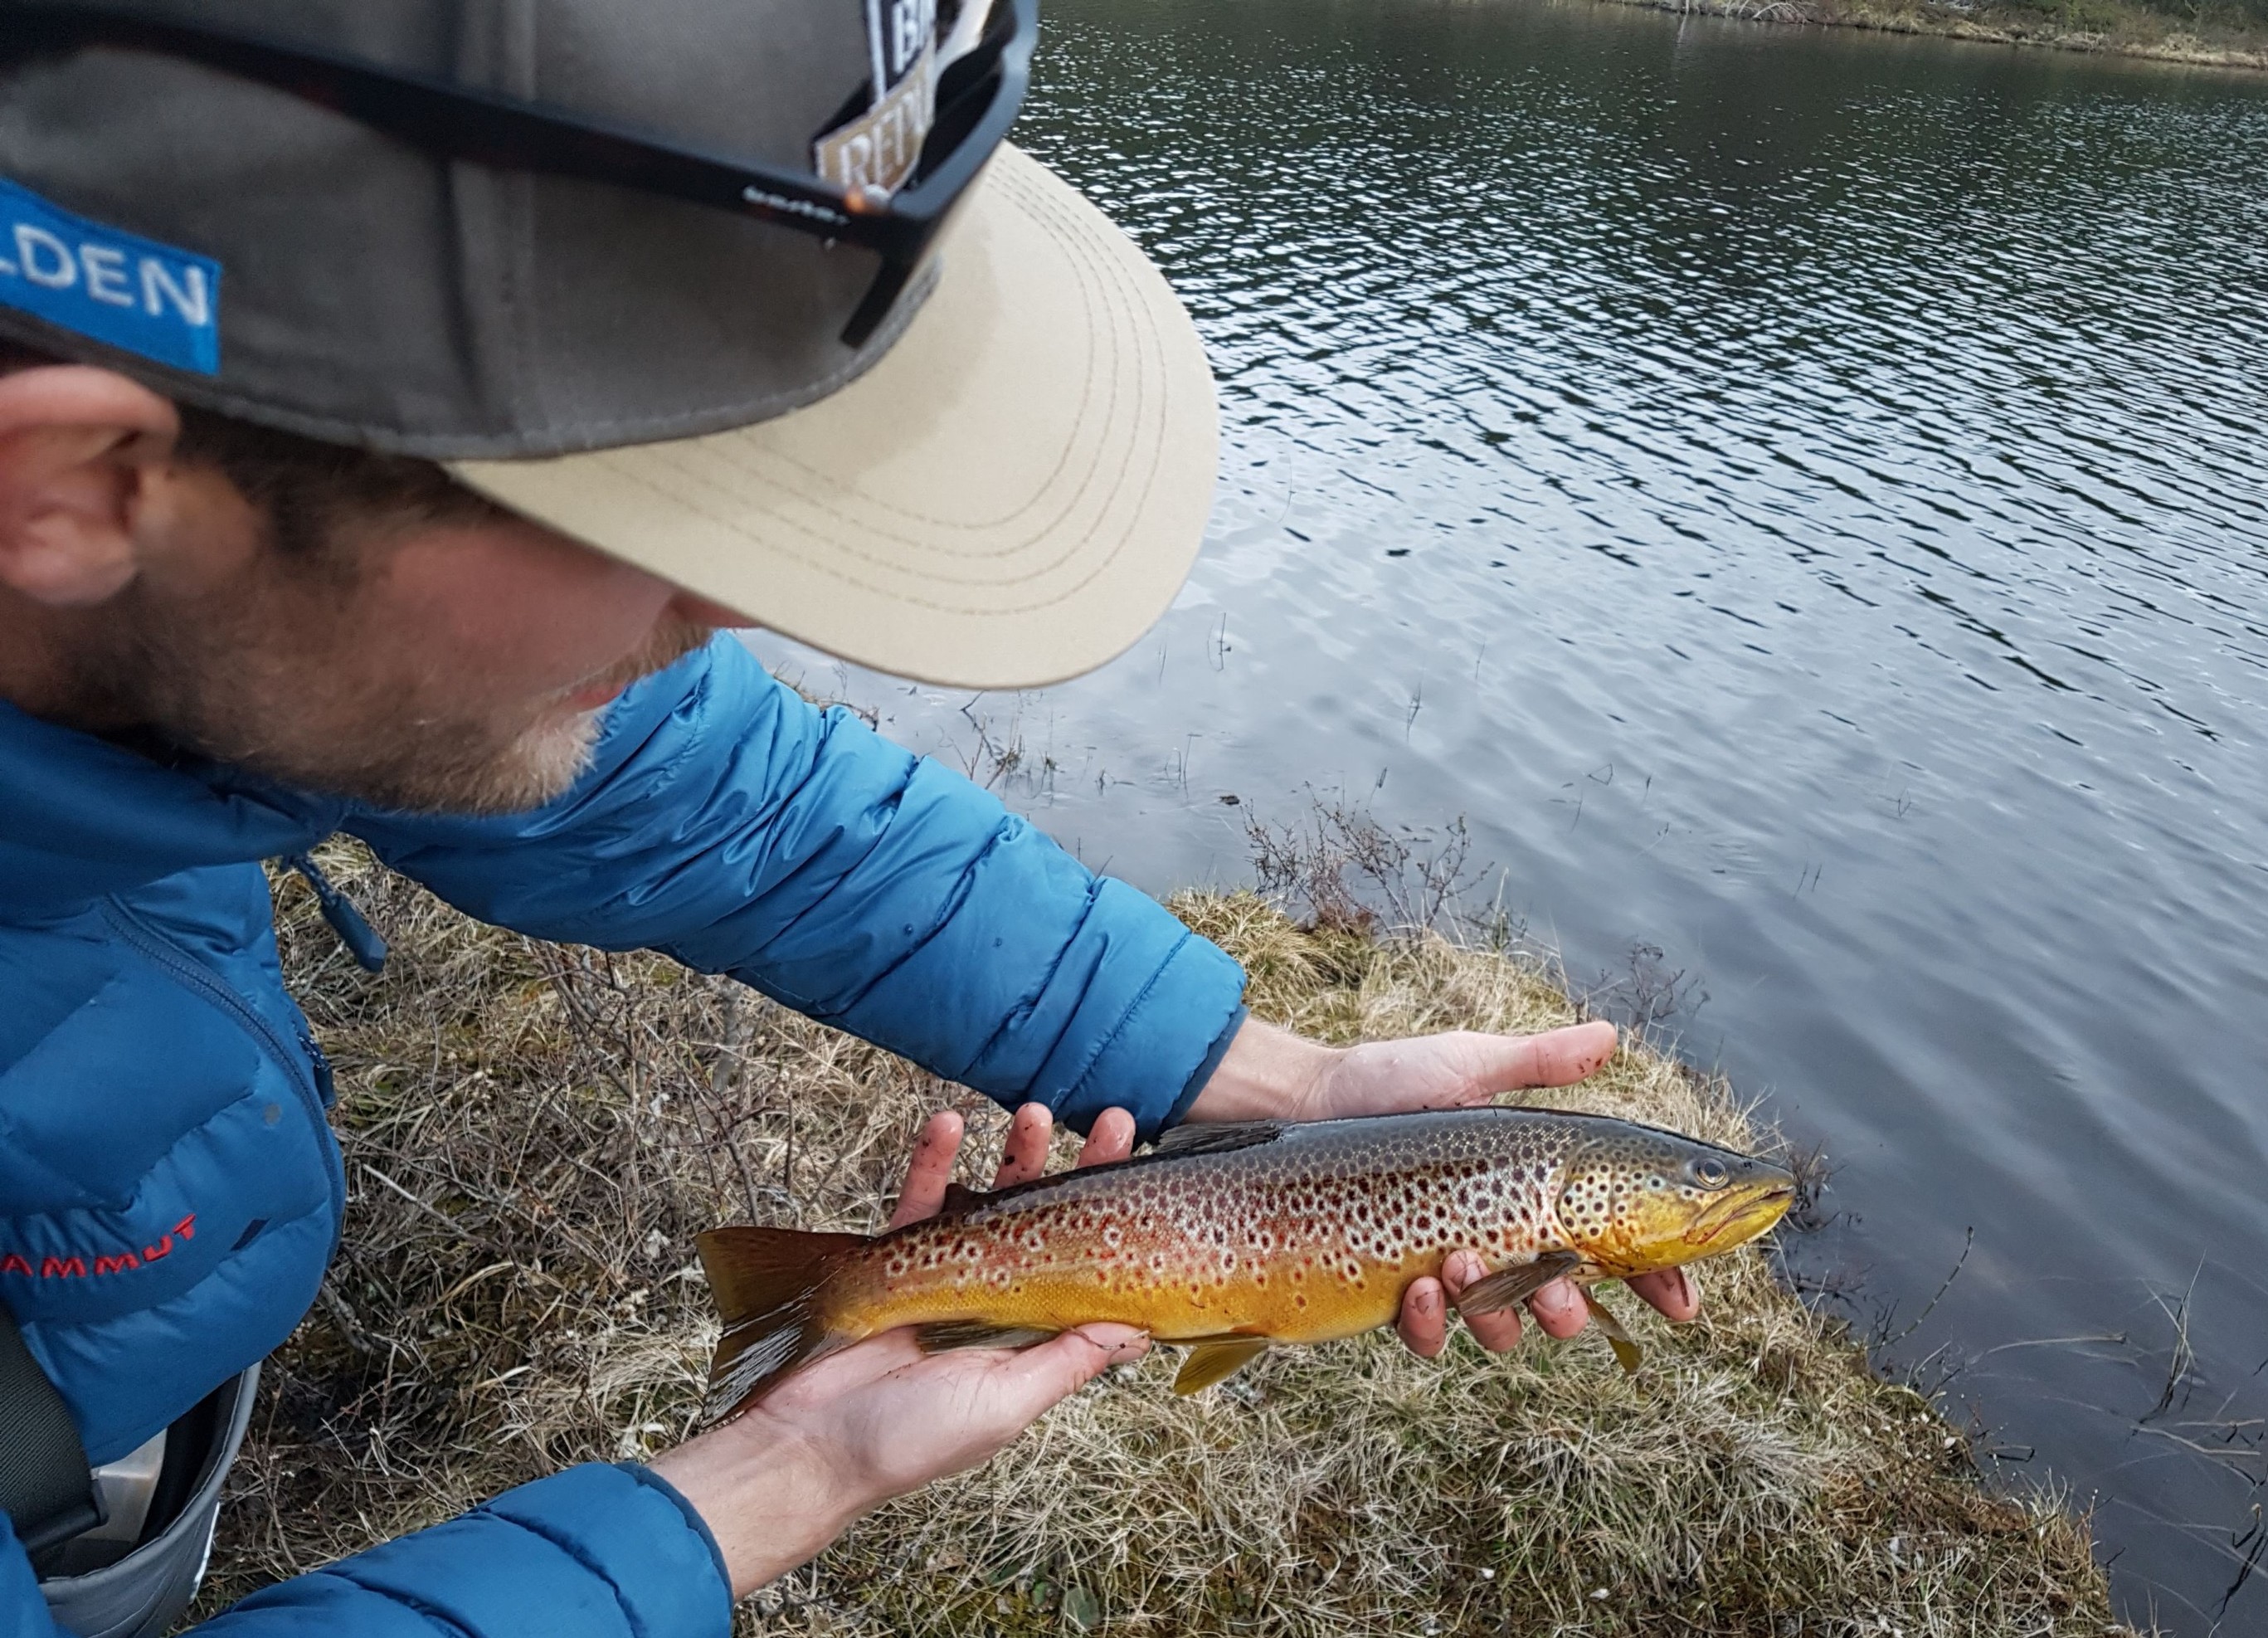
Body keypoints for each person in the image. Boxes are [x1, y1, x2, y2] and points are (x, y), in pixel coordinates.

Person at [0, 1, 1699, 1634]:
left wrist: (1283, 1092)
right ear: (79, 491)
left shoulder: (216, 629)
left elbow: (716, 797)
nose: (742, 615)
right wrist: (773, 1481)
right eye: (667, 504)